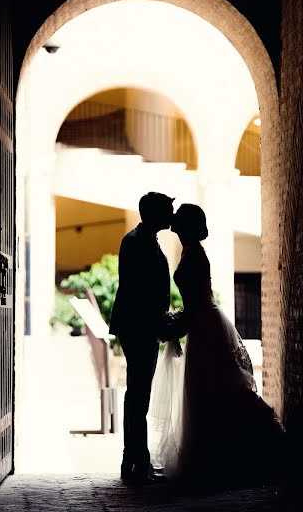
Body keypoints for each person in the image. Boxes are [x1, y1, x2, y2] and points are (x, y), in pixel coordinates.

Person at [149, 203, 286, 490]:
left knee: (215, 389)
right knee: (205, 391)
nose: (174, 226)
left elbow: (198, 299)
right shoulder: (190, 252)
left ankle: (230, 455)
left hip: (205, 325)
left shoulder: (196, 254)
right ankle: (212, 455)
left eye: (179, 223)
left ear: (185, 227)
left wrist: (179, 322)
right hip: (200, 323)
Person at [109, 191, 175, 485]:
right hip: (138, 327)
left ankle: (134, 458)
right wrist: (157, 323)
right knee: (138, 395)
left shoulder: (143, 239)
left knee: (137, 394)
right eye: (167, 210)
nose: (171, 215)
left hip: (140, 325)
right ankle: (135, 460)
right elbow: (139, 292)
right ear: (155, 213)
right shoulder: (137, 242)